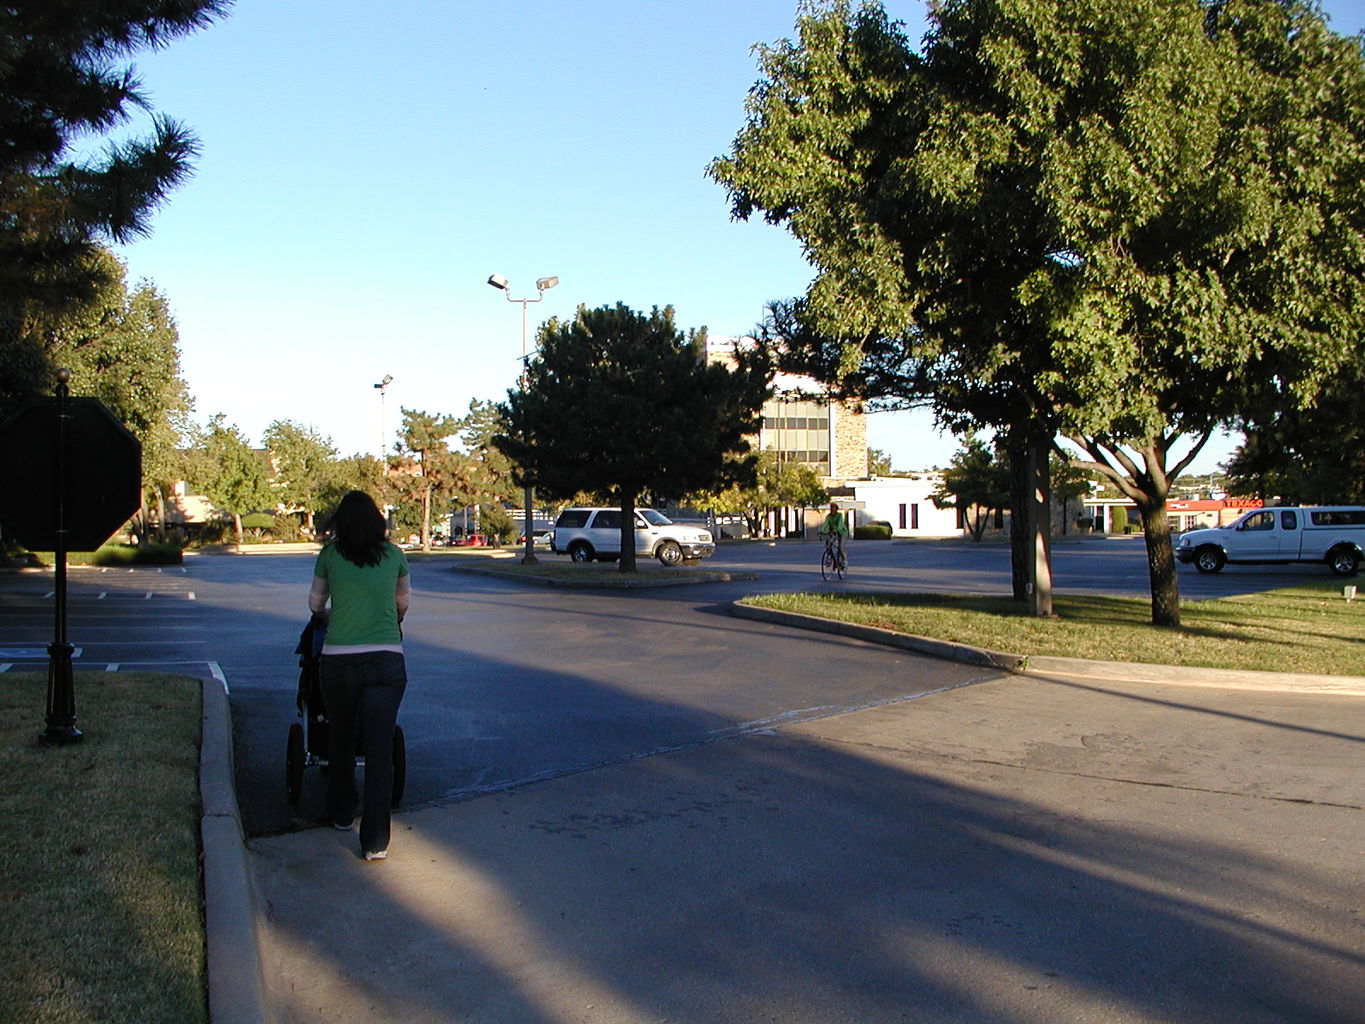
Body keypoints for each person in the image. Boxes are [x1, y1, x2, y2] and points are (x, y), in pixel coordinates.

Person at [308, 490, 410, 861]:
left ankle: (340, 813)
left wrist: (331, 616)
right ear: (376, 522)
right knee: (380, 748)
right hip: (386, 659)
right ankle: (375, 841)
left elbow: (315, 604)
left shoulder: (330, 556)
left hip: (338, 662)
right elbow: (402, 604)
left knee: (341, 737)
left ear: (340, 521)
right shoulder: (396, 556)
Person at [819, 501, 848, 566]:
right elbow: (825, 524)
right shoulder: (829, 516)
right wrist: (821, 531)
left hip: (842, 532)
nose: (832, 509)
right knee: (828, 543)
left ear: (836, 509)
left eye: (834, 508)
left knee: (841, 547)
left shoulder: (839, 515)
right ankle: (829, 558)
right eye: (831, 508)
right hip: (833, 532)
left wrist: (836, 529)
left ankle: (844, 560)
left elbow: (840, 524)